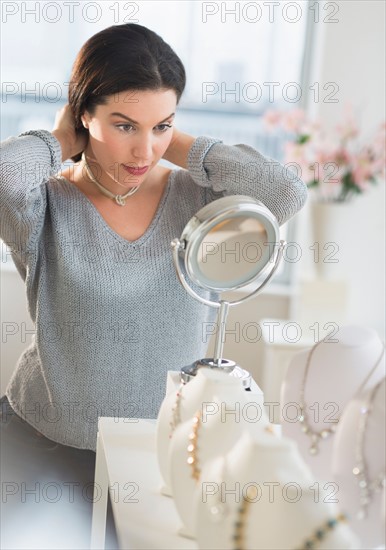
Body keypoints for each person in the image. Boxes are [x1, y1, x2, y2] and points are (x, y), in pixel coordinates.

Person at [0, 23, 307, 549]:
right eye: (124, 125)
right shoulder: (43, 204)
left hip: (161, 452)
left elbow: (285, 192)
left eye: (162, 124)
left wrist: (174, 145)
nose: (144, 150)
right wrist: (62, 140)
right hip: (45, 444)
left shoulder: (196, 199)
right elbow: (5, 174)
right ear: (84, 115)